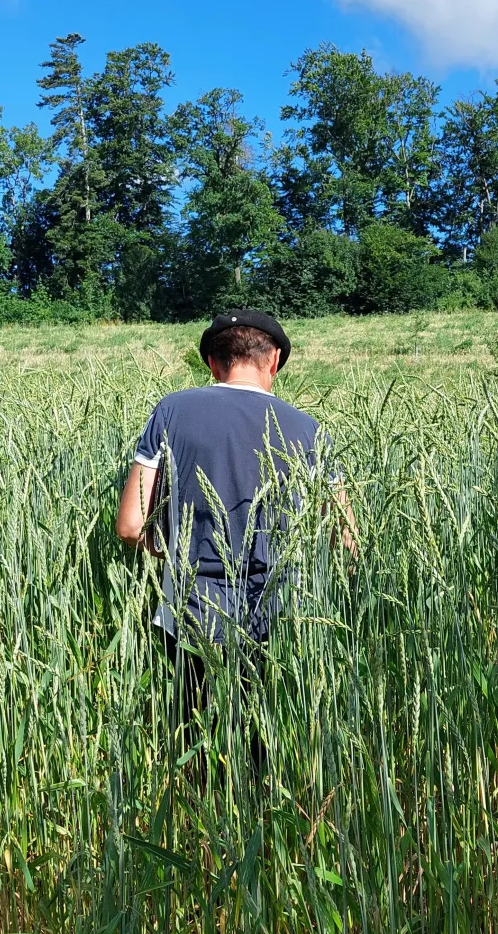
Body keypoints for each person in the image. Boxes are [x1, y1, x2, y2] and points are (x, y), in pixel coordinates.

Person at [115, 309, 350, 739]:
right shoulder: (310, 430)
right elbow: (346, 538)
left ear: (212, 364)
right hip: (276, 615)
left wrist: (169, 543)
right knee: (260, 746)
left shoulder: (171, 411)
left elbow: (131, 526)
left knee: (194, 741)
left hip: (188, 613)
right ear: (274, 359)